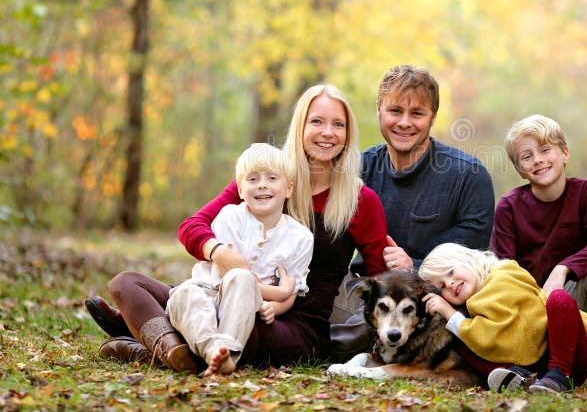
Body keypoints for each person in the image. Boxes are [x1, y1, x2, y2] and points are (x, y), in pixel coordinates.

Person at [85, 84, 392, 370]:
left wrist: (407, 268)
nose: (327, 133)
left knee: (236, 328)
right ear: (300, 126)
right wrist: (218, 252)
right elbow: (193, 226)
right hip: (223, 297)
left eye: (338, 124)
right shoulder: (266, 178)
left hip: (292, 324)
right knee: (127, 283)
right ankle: (165, 346)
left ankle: (144, 341)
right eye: (317, 122)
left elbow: (379, 279)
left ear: (348, 134)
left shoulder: (360, 200)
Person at [329, 64, 496, 358]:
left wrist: (415, 266)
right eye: (395, 111)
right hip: (365, 290)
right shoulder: (356, 169)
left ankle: (336, 344)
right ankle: (321, 338)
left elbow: (472, 263)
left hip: (431, 298)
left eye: (417, 113)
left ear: (432, 117)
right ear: (379, 110)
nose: (404, 122)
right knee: (313, 300)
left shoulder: (468, 176)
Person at [490, 114, 587, 380]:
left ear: (564, 154)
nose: (538, 160)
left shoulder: (584, 192)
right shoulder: (509, 206)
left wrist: (563, 268)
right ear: (520, 168)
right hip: (532, 302)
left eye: (545, 150)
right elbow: (506, 268)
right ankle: (540, 353)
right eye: (527, 156)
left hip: (573, 293)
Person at [165, 143, 313, 375]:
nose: (262, 184)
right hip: (208, 291)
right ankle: (214, 351)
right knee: (184, 294)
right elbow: (226, 278)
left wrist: (276, 306)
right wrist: (279, 292)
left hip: (242, 304)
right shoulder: (230, 217)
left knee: (243, 281)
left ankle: (225, 354)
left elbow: (292, 292)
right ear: (241, 190)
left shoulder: (300, 237)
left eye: (272, 178)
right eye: (252, 179)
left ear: (289, 189)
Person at [419, 243, 587, 393]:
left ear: (469, 259)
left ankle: (557, 376)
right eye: (441, 286)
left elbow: (526, 317)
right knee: (462, 340)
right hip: (527, 371)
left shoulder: (505, 273)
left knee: (559, 299)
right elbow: (484, 337)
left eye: (450, 272)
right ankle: (517, 378)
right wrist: (451, 315)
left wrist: (451, 313)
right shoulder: (471, 309)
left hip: (566, 362)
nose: (449, 284)